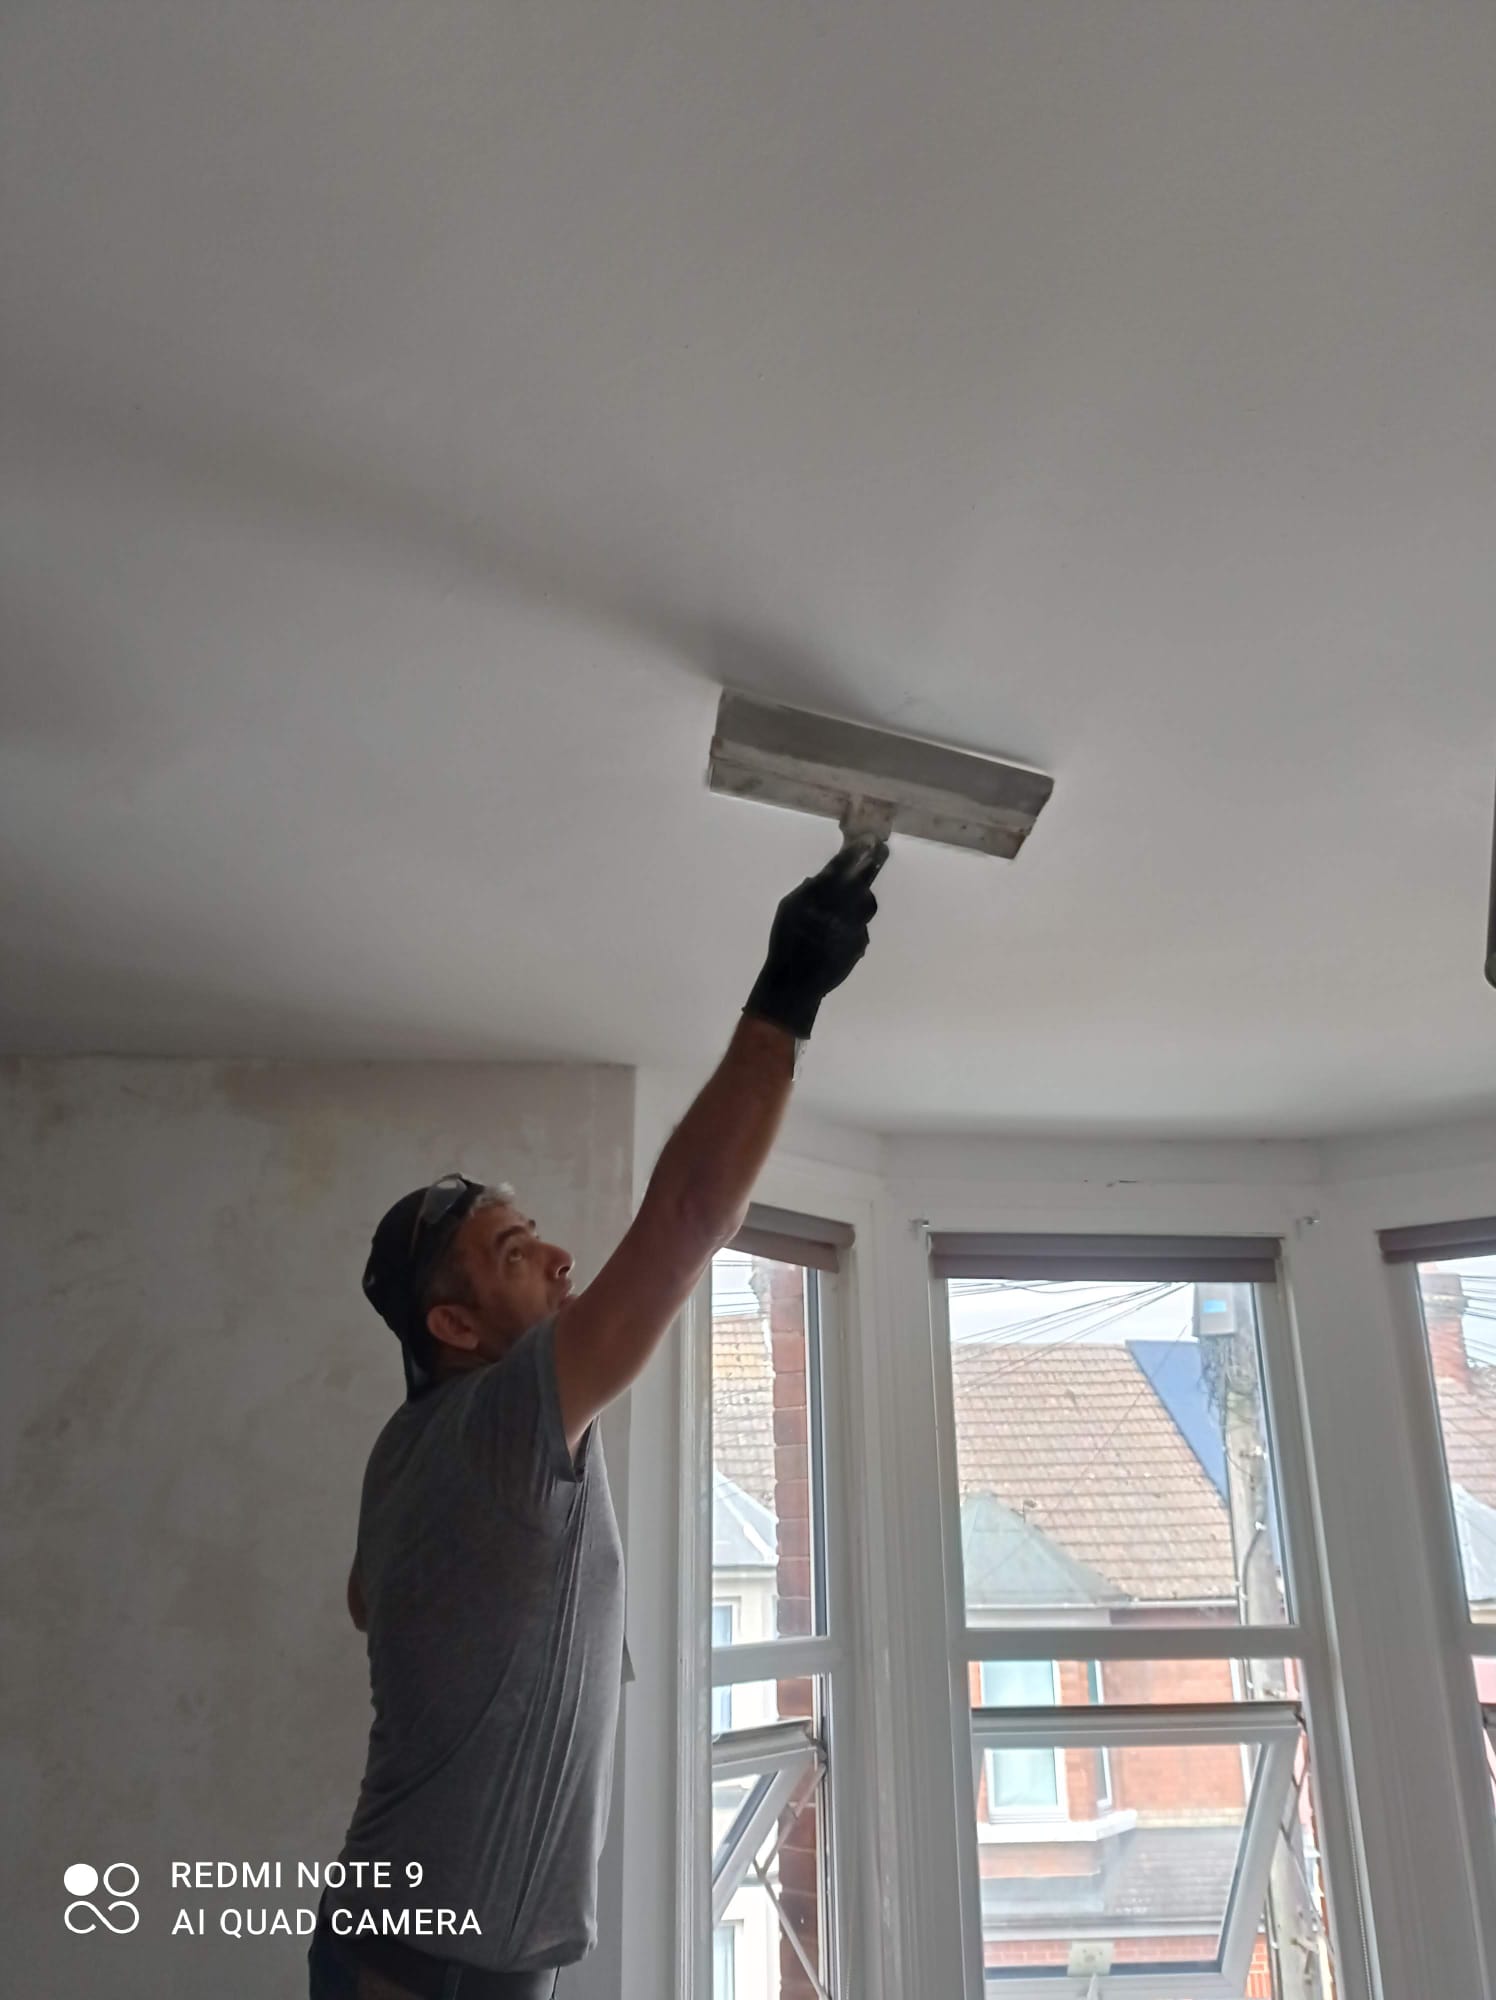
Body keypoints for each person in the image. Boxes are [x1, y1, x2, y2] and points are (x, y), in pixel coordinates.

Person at [308, 838, 888, 1999]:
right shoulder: (500, 1422)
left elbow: (367, 1596)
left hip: (432, 1942)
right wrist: (786, 990)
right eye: (516, 1254)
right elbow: (684, 1218)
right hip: (423, 1964)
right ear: (454, 1325)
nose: (560, 1256)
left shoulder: (406, 1447)